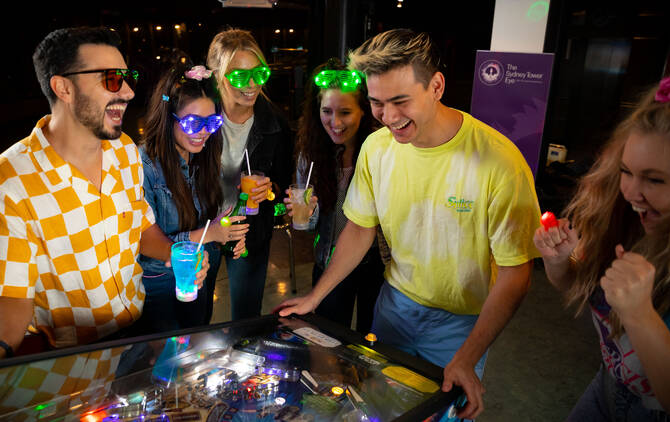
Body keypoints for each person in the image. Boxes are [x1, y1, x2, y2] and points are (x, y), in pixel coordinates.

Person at [275, 29, 541, 419]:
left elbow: (517, 273)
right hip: (394, 306)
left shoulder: (498, 162)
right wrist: (316, 296)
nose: (390, 117)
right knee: (379, 407)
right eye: (378, 103)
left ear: (436, 86)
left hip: (460, 323)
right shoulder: (377, 147)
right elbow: (361, 228)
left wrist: (467, 357)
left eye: (401, 101)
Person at [0, 27, 208, 375]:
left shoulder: (125, 150)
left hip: (140, 338)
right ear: (63, 87)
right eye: (112, 80)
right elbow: (9, 295)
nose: (128, 92)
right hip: (68, 362)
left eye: (127, 78)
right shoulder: (7, 183)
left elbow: (141, 226)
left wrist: (177, 255)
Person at [533, 76, 670, 421]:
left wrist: (640, 316)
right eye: (626, 172)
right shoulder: (624, 222)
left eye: (654, 179)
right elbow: (585, 291)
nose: (632, 192)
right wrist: (561, 262)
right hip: (609, 390)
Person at [135, 63, 248, 334]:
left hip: (200, 275)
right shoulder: (143, 164)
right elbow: (143, 242)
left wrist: (226, 234)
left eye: (211, 122)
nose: (203, 132)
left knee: (194, 352)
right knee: (163, 363)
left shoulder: (203, 160)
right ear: (168, 117)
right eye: (192, 123)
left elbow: (209, 224)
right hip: (158, 284)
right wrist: (209, 235)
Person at [286, 58, 384, 334]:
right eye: (326, 111)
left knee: (372, 340)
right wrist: (306, 213)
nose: (335, 122)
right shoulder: (311, 152)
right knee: (327, 338)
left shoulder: (380, 151)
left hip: (375, 263)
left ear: (363, 111)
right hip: (329, 260)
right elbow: (310, 223)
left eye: (345, 112)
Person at [204, 28, 293, 321]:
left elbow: (282, 183)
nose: (252, 84)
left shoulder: (275, 123)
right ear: (217, 75)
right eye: (240, 76)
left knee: (246, 320)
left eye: (260, 73)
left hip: (249, 232)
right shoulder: (199, 116)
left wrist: (270, 189)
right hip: (202, 229)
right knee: (193, 319)